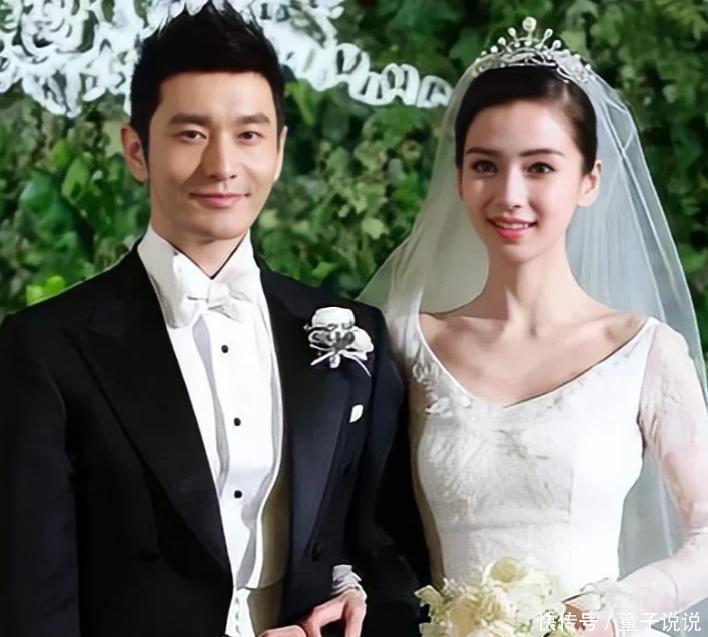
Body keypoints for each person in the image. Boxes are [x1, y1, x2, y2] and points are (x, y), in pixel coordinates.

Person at [0, 4, 424, 637]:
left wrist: (355, 590)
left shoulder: (352, 333)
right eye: (191, 134)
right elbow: (32, 601)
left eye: (249, 135)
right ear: (137, 150)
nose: (222, 165)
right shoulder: (44, 349)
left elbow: (379, 541)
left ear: (279, 150)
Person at [361, 16, 708, 636]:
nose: (510, 194)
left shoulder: (643, 351)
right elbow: (352, 518)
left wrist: (607, 612)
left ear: (590, 180)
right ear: (459, 177)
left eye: (540, 167)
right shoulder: (408, 343)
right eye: (485, 166)